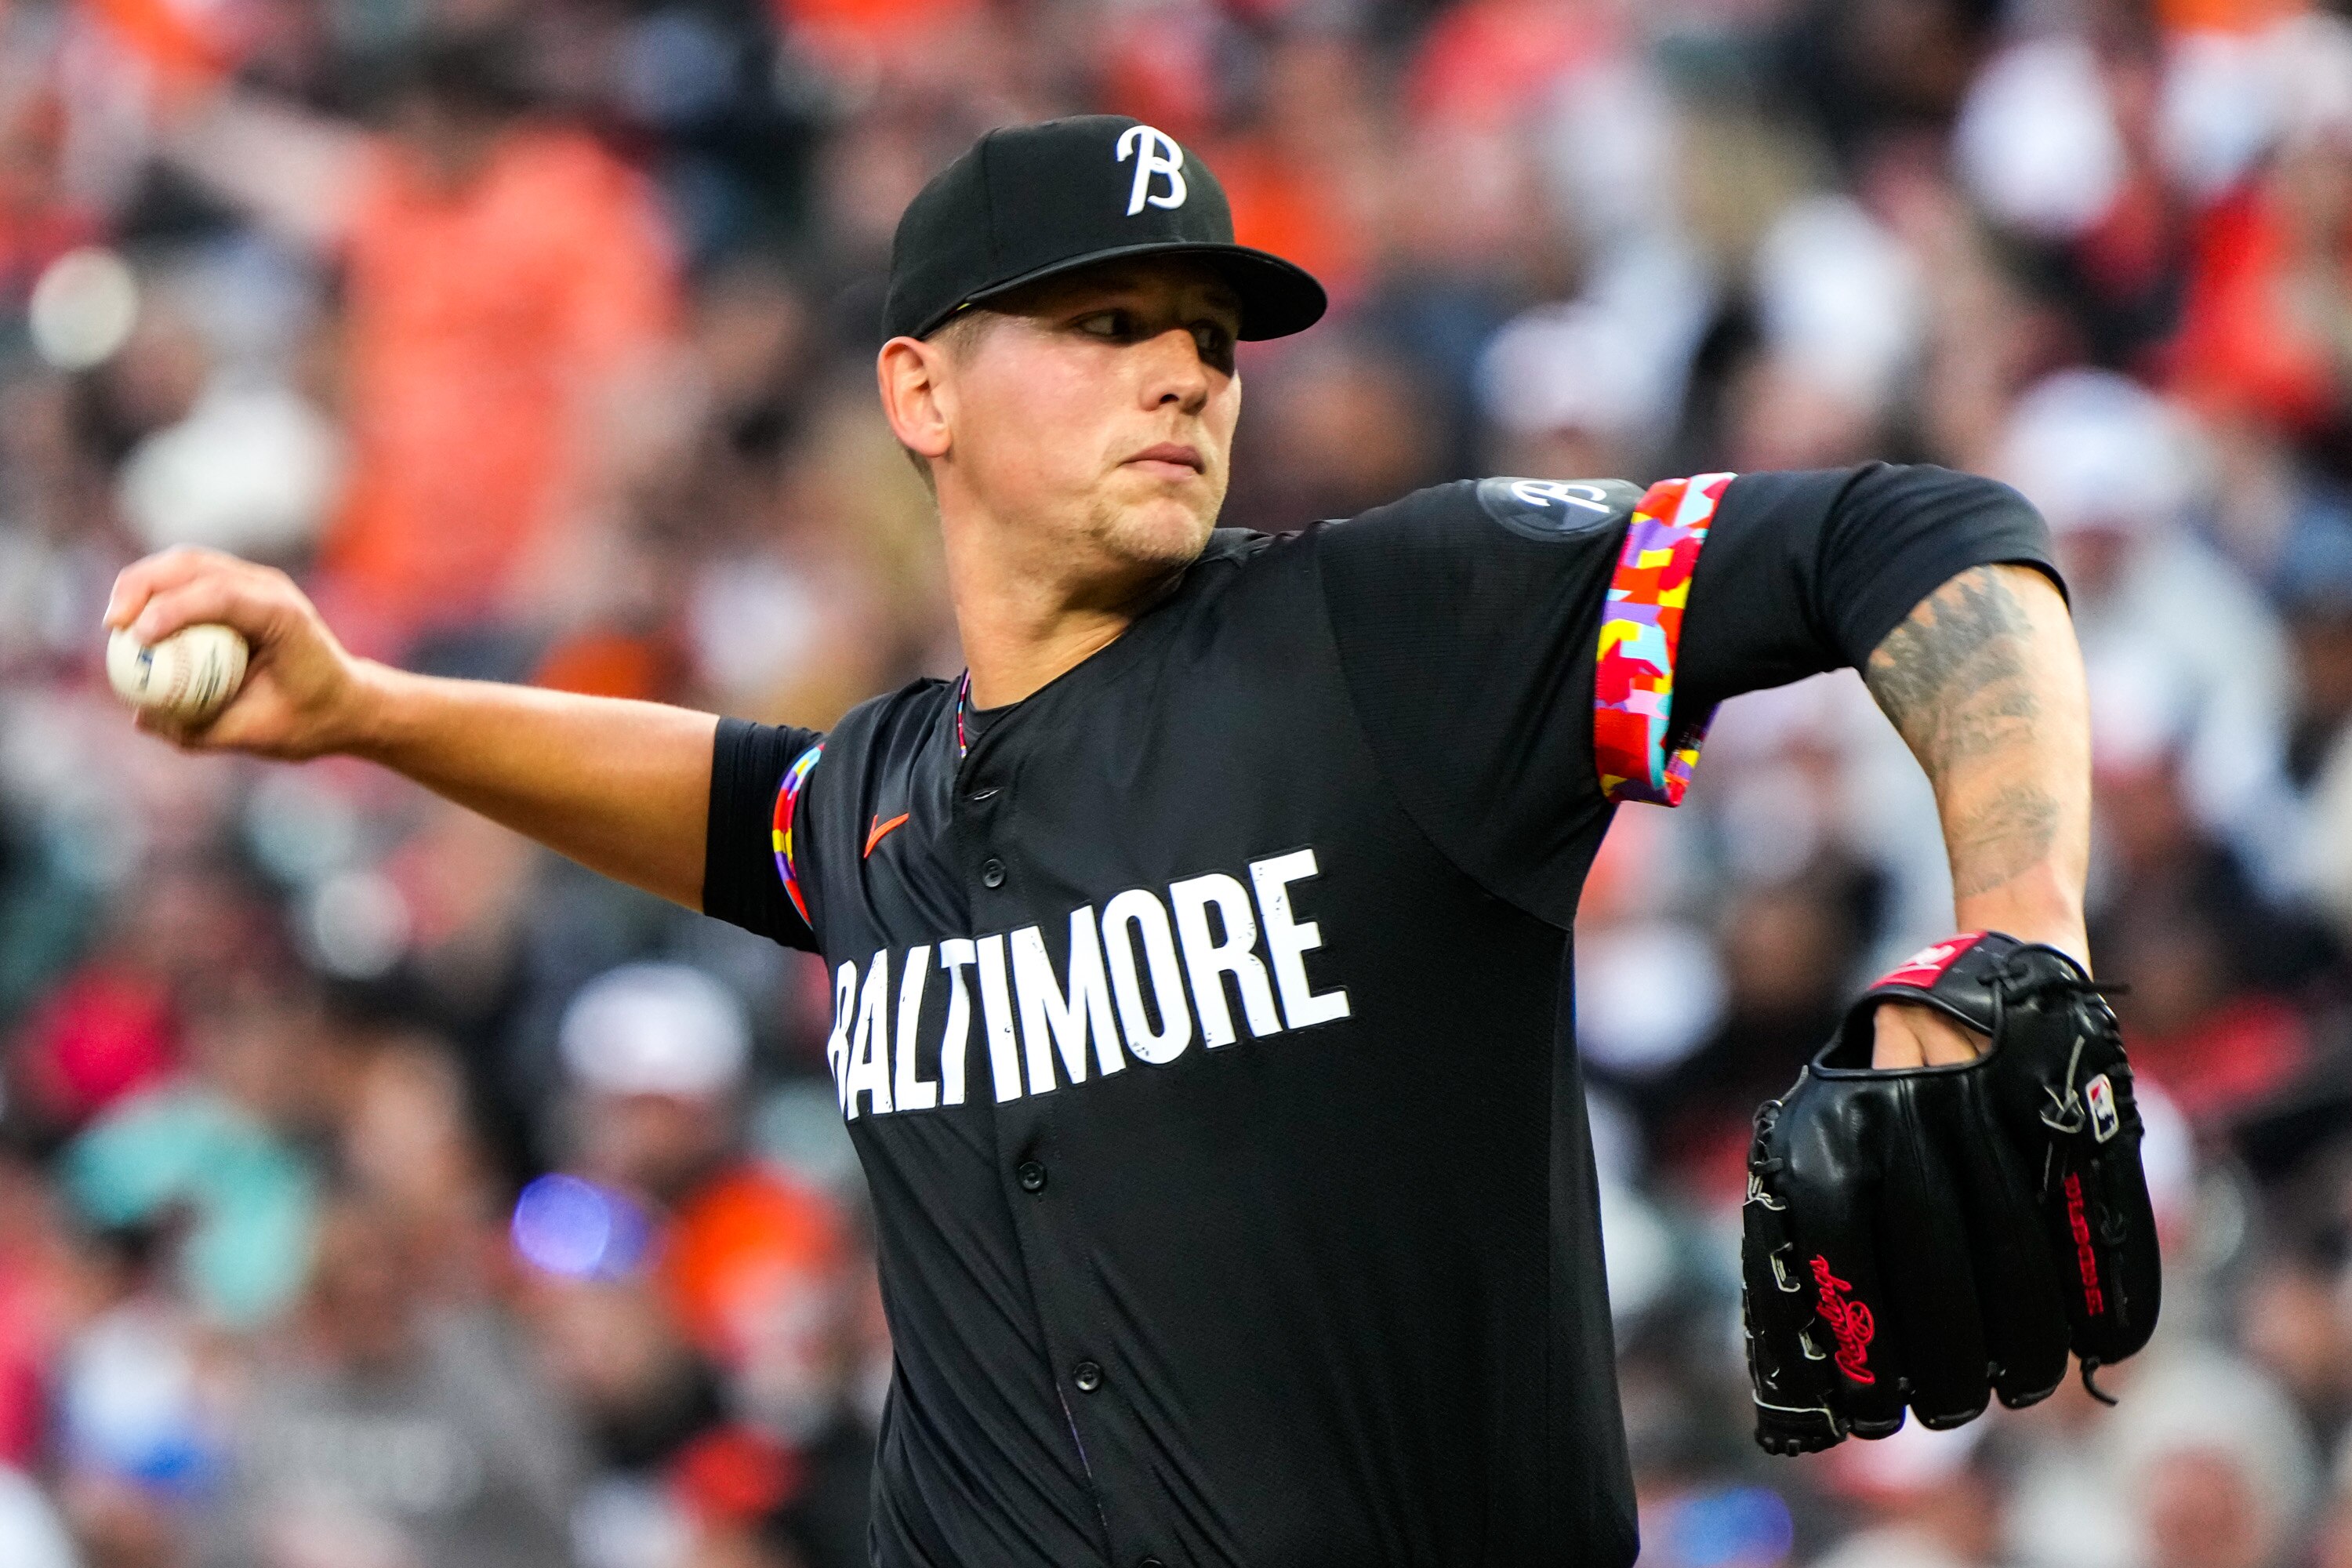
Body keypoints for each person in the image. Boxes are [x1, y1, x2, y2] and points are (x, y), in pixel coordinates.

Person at [106, 116, 2091, 1567]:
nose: (1182, 371)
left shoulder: (1395, 635)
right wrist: (363, 709)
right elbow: (733, 803)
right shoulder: (882, 806)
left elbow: (1916, 533)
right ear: (919, 391)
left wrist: (2016, 932)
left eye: (1211, 336)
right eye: (1105, 318)